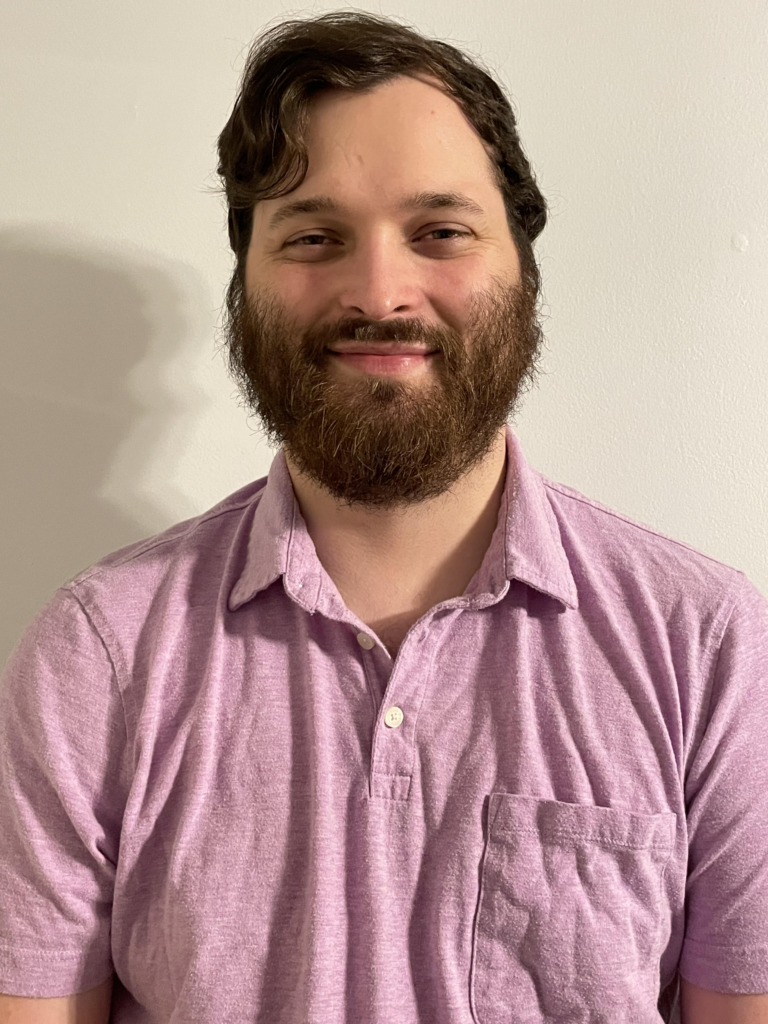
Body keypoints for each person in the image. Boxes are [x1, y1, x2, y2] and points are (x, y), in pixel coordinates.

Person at [1, 10, 767, 1024]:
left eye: (440, 232)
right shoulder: (101, 653)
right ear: (247, 283)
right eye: (314, 236)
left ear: (522, 270)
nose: (380, 291)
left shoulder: (703, 641)